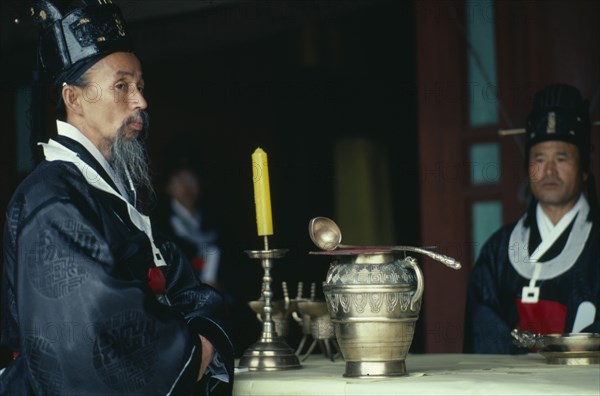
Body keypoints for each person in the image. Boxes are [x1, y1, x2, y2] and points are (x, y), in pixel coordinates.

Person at [0, 1, 233, 394]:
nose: (141, 101)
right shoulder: (53, 200)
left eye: (140, 86)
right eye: (121, 86)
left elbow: (184, 283)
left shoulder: (107, 191)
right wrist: (196, 349)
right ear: (74, 99)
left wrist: (200, 329)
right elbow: (90, 339)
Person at [465, 83, 600, 353]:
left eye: (561, 158)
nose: (549, 170)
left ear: (584, 169)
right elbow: (481, 336)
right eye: (539, 159)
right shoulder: (499, 250)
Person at [156, 163, 222, 288]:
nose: (186, 187)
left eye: (191, 179)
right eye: (179, 180)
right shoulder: (160, 224)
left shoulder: (213, 218)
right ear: (168, 187)